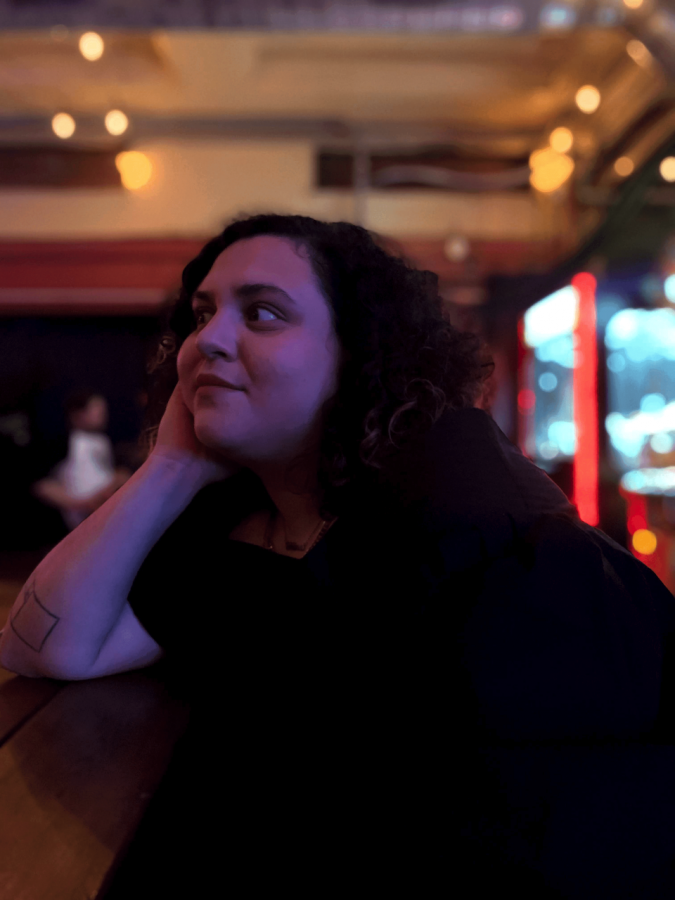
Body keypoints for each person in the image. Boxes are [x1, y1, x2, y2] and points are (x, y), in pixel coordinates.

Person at [1, 213, 675, 898]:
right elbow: (45, 646)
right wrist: (170, 465)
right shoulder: (236, 525)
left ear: (359, 355)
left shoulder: (493, 544)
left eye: (260, 313)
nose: (209, 340)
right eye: (200, 316)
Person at [30, 389, 132, 532]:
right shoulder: (62, 443)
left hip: (107, 515)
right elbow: (42, 485)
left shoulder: (104, 441)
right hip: (79, 519)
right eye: (95, 409)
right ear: (77, 414)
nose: (102, 413)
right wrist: (82, 503)